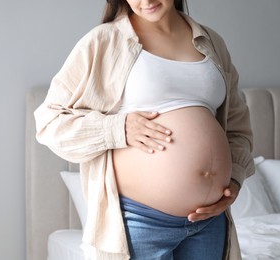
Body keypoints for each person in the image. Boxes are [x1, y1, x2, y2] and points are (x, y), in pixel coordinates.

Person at [34, 0, 255, 259]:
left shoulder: (211, 41)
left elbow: (238, 128)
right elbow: (49, 121)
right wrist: (118, 128)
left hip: (209, 221)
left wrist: (235, 179)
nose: (146, 1)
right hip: (140, 221)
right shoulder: (105, 41)